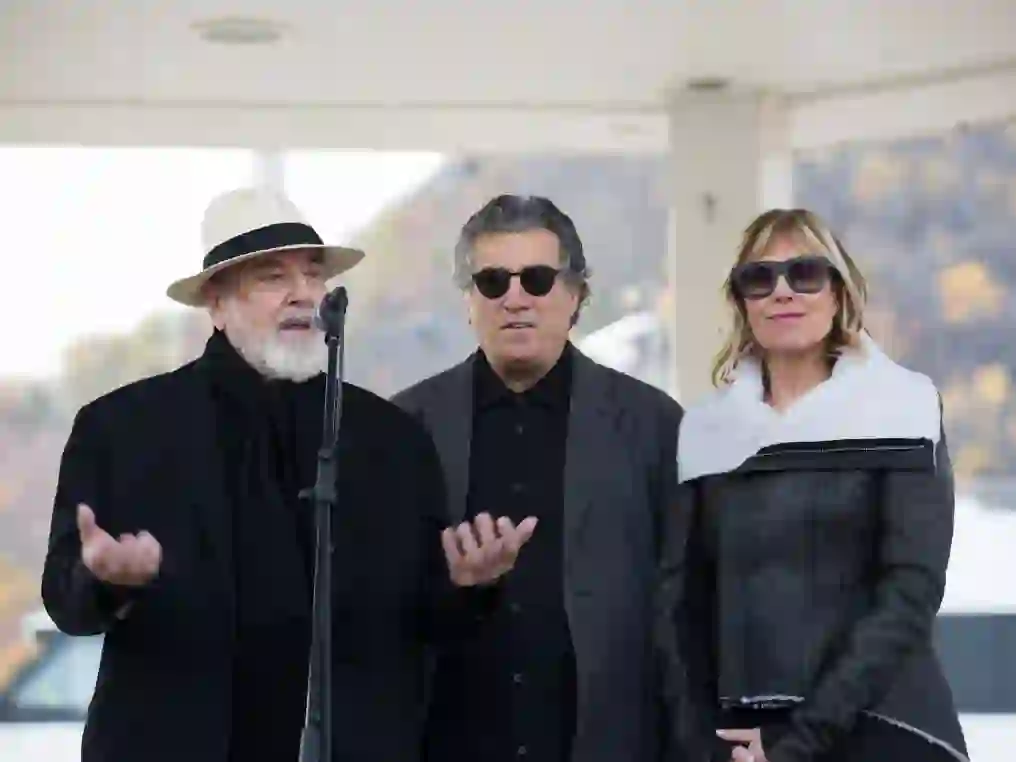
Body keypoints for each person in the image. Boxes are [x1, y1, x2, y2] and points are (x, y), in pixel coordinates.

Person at [40, 187, 535, 762]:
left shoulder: (389, 438)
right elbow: (65, 602)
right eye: (273, 278)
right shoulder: (123, 429)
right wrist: (106, 581)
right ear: (217, 305)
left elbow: (424, 623)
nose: (303, 294)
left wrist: (469, 586)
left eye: (313, 275)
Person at [655, 208, 968, 762]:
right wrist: (700, 740)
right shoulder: (705, 432)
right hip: (739, 739)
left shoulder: (903, 406)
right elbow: (680, 608)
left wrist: (799, 743)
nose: (782, 292)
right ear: (741, 301)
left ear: (838, 290)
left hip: (882, 728)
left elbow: (909, 592)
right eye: (760, 278)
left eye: (805, 273)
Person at [392, 194, 684, 762]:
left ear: (576, 296)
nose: (516, 299)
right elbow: (375, 611)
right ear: (468, 301)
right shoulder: (405, 427)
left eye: (538, 279)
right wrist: (453, 584)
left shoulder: (653, 424)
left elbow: (683, 611)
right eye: (493, 281)